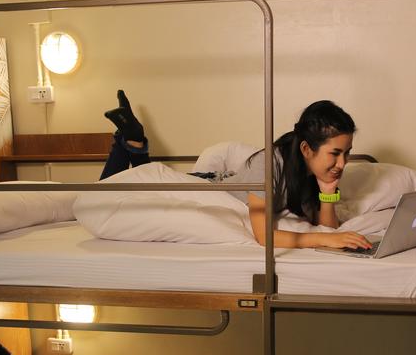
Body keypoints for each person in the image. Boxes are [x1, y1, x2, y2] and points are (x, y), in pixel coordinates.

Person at [100, 90, 373, 250]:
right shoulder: (269, 165)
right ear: (306, 149)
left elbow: (328, 228)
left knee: (119, 191)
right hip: (206, 185)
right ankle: (132, 143)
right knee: (102, 194)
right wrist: (323, 241)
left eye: (347, 153)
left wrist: (328, 190)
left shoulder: (310, 171)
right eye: (335, 154)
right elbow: (264, 237)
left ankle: (132, 142)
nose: (342, 163)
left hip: (224, 182)